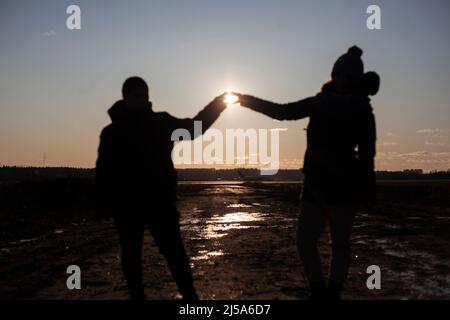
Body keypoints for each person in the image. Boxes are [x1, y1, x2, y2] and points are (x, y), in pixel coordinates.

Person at [236, 46, 379, 299]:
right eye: (337, 74)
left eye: (346, 76)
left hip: (345, 188)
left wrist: (368, 190)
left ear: (355, 79)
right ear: (332, 75)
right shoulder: (318, 103)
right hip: (315, 184)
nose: (340, 80)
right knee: (304, 241)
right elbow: (282, 112)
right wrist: (248, 100)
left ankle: (332, 292)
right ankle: (318, 289)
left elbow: (368, 155)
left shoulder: (363, 111)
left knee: (340, 244)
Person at [95, 77, 226, 300]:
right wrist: (103, 203)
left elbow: (195, 128)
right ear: (125, 97)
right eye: (137, 95)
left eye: (144, 95)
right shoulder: (111, 132)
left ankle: (190, 298)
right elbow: (103, 170)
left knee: (175, 255)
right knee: (131, 256)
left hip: (159, 202)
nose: (142, 99)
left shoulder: (161, 123)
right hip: (127, 205)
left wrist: (218, 104)